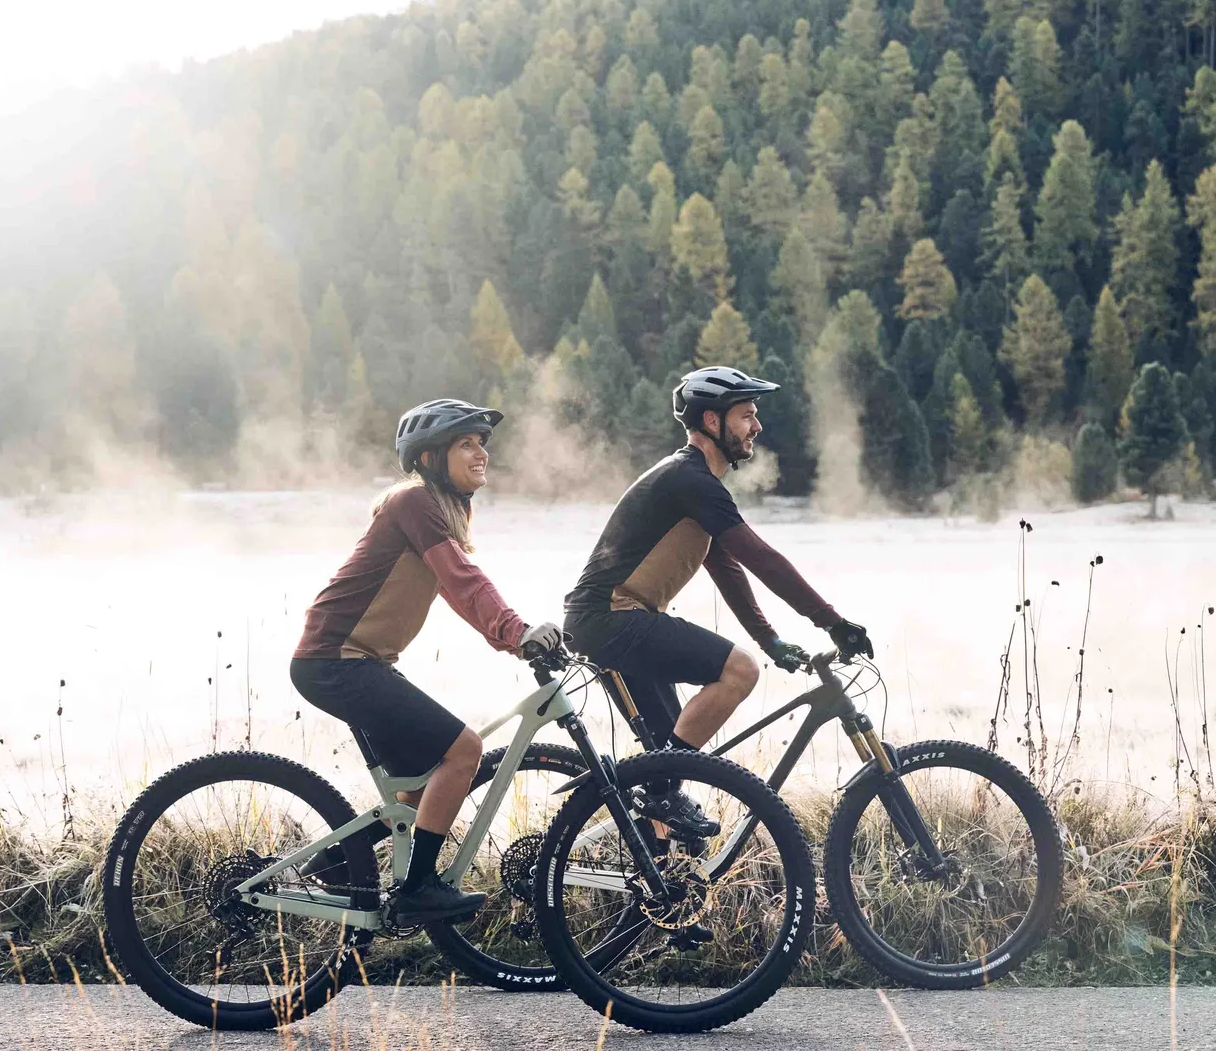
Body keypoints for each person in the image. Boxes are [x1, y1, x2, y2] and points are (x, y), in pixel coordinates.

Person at [563, 367, 874, 837]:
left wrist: (771, 639)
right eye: (747, 415)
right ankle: (662, 796)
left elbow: (728, 567)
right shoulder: (691, 479)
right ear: (712, 420)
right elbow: (762, 559)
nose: (757, 427)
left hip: (615, 621)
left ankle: (647, 894)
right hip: (610, 619)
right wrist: (832, 622)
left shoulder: (694, 483)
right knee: (738, 672)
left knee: (665, 764)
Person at [290, 399, 563, 922]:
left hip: (350, 662)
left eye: (482, 443)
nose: (481, 452)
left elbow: (460, 591)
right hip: (337, 661)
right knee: (463, 751)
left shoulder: (440, 507)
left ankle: (335, 864)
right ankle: (417, 891)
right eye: (467, 443)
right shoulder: (415, 502)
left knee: (417, 790)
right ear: (432, 456)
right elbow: (465, 582)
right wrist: (517, 631)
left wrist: (514, 637)